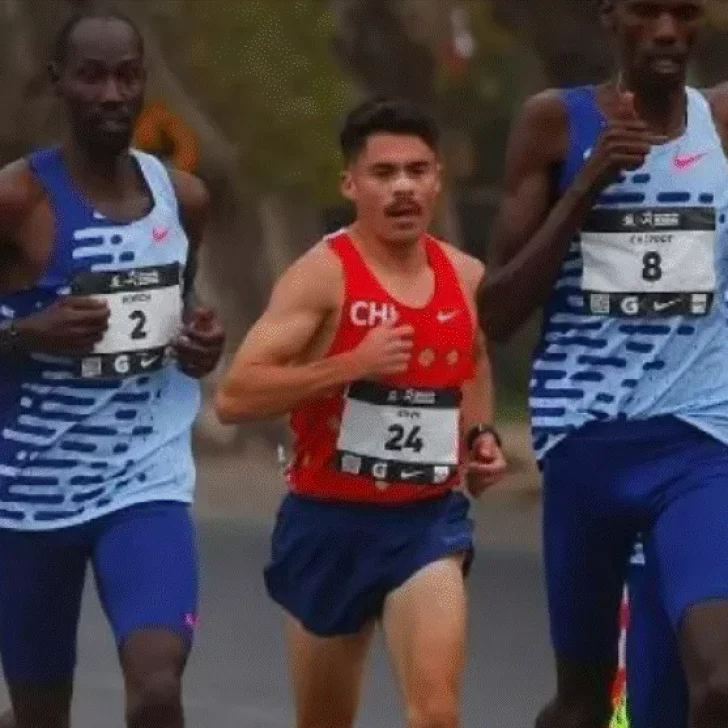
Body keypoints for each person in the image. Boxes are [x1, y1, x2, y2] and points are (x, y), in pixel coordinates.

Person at [215, 97, 507, 728]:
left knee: (436, 713)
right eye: (384, 173)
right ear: (351, 183)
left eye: (417, 170)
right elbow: (236, 396)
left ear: (437, 179)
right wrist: (350, 364)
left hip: (427, 523)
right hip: (328, 521)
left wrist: (480, 436)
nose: (403, 187)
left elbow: (474, 358)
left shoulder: (465, 276)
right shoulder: (322, 276)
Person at [478, 0, 728, 726]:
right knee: (585, 705)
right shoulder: (556, 124)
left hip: (698, 441)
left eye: (684, 13)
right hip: (587, 440)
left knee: (717, 684)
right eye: (647, 12)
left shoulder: (720, 123)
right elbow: (495, 310)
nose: (667, 31)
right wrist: (587, 184)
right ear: (609, 18)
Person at [0, 8, 225, 728]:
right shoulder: (17, 200)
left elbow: (176, 313)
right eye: (92, 76)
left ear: (143, 83)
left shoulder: (182, 199)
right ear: (58, 82)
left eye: (126, 75)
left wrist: (199, 341)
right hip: (28, 493)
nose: (110, 93)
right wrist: (25, 333)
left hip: (143, 483)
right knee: (40, 715)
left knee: (158, 690)